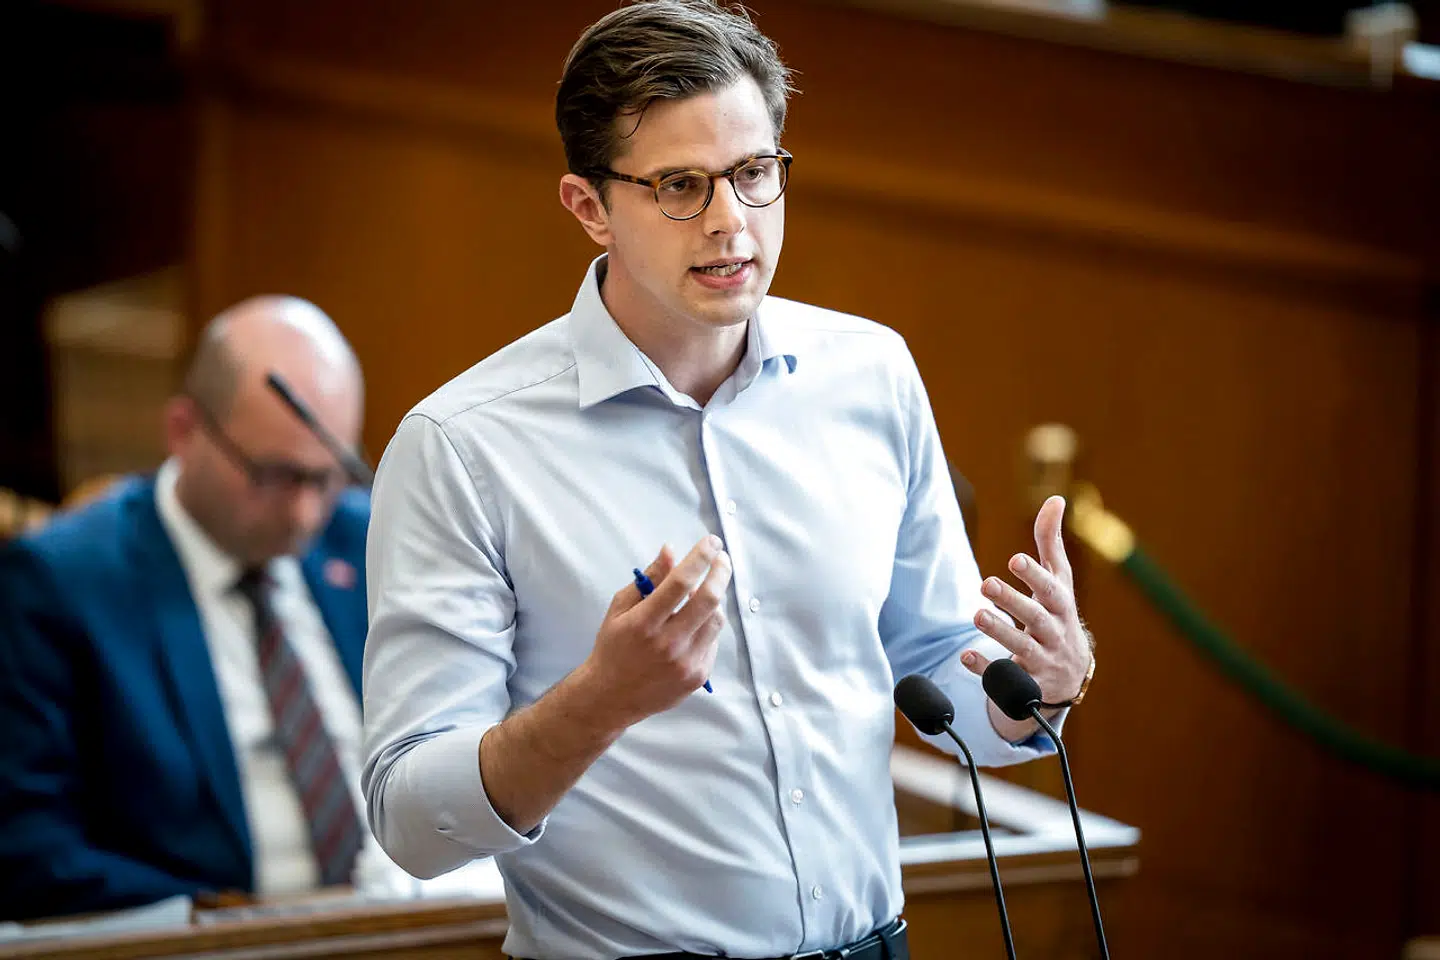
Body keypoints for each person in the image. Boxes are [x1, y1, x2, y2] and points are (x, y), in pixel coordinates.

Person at [361, 2, 1096, 958]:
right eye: (680, 186)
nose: (730, 224)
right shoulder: (462, 447)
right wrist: (601, 701)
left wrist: (1031, 686)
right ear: (589, 208)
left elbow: (940, 676)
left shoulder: (870, 373)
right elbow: (411, 821)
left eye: (754, 175)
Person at [0, 296, 408, 921]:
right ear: (184, 431)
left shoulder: (365, 539)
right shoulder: (62, 582)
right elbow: (27, 846)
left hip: (413, 923)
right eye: (274, 476)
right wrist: (219, 918)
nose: (304, 514)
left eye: (326, 478)